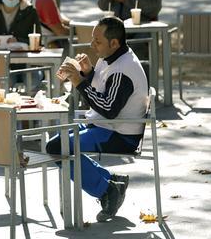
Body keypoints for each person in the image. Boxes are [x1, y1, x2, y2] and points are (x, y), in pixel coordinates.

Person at [47, 17, 148, 222]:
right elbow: (104, 90)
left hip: (120, 134)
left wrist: (78, 80)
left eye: (97, 41)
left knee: (59, 147)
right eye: (93, 40)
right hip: (105, 124)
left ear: (114, 43)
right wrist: (89, 72)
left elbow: (109, 108)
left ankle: (107, 190)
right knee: (57, 142)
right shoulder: (111, 56)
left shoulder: (123, 70)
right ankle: (111, 183)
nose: (92, 45)